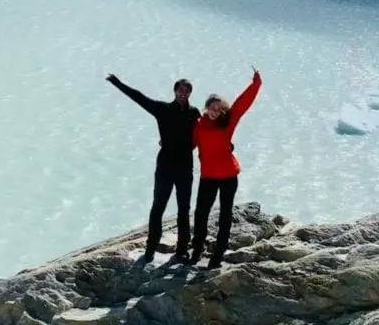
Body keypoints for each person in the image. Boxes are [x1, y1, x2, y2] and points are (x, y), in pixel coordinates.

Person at [106, 73, 200, 264]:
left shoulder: (194, 113)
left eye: (187, 90)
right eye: (180, 89)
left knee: (184, 209)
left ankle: (182, 249)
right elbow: (138, 97)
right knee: (158, 208)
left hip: (185, 167)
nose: (183, 93)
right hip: (165, 166)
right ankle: (150, 250)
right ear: (174, 91)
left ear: (190, 93)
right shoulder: (162, 109)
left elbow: (206, 131)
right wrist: (117, 82)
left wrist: (226, 145)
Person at [190, 66, 262, 269]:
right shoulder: (197, 125)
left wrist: (255, 83)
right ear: (206, 108)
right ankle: (197, 249)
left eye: (219, 109)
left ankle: (218, 254)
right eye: (212, 108)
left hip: (229, 176)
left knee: (225, 215)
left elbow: (242, 104)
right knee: (201, 213)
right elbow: (188, 144)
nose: (216, 112)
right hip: (208, 177)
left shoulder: (227, 122)